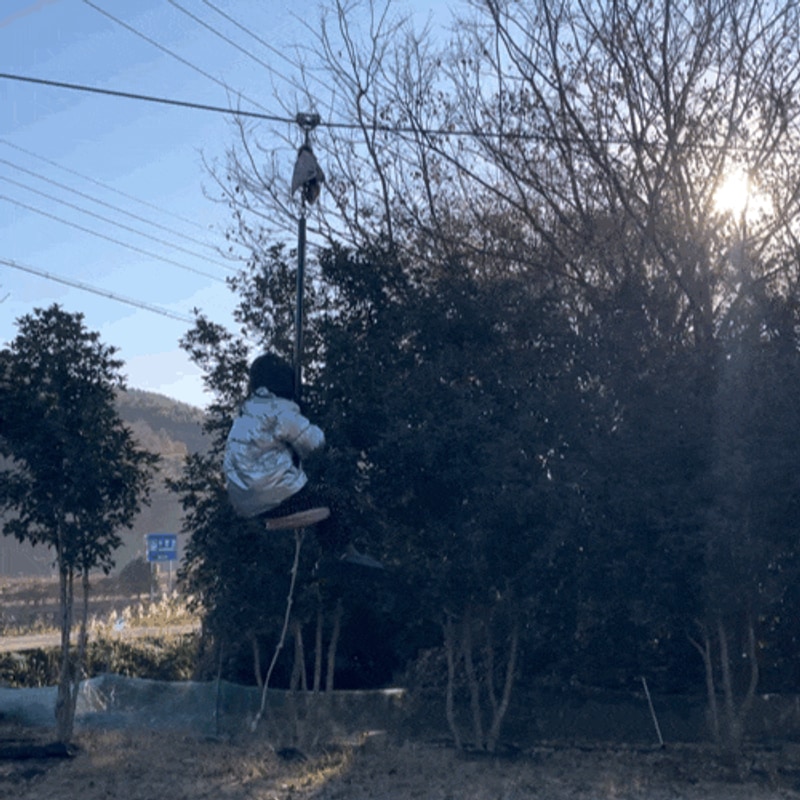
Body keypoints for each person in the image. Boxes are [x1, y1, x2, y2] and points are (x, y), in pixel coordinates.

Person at [223, 353, 381, 568]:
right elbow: (313, 444)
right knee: (334, 498)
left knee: (314, 496)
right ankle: (340, 554)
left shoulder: (246, 411)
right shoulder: (280, 409)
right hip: (274, 495)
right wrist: (306, 418)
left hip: (245, 501)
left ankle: (332, 556)